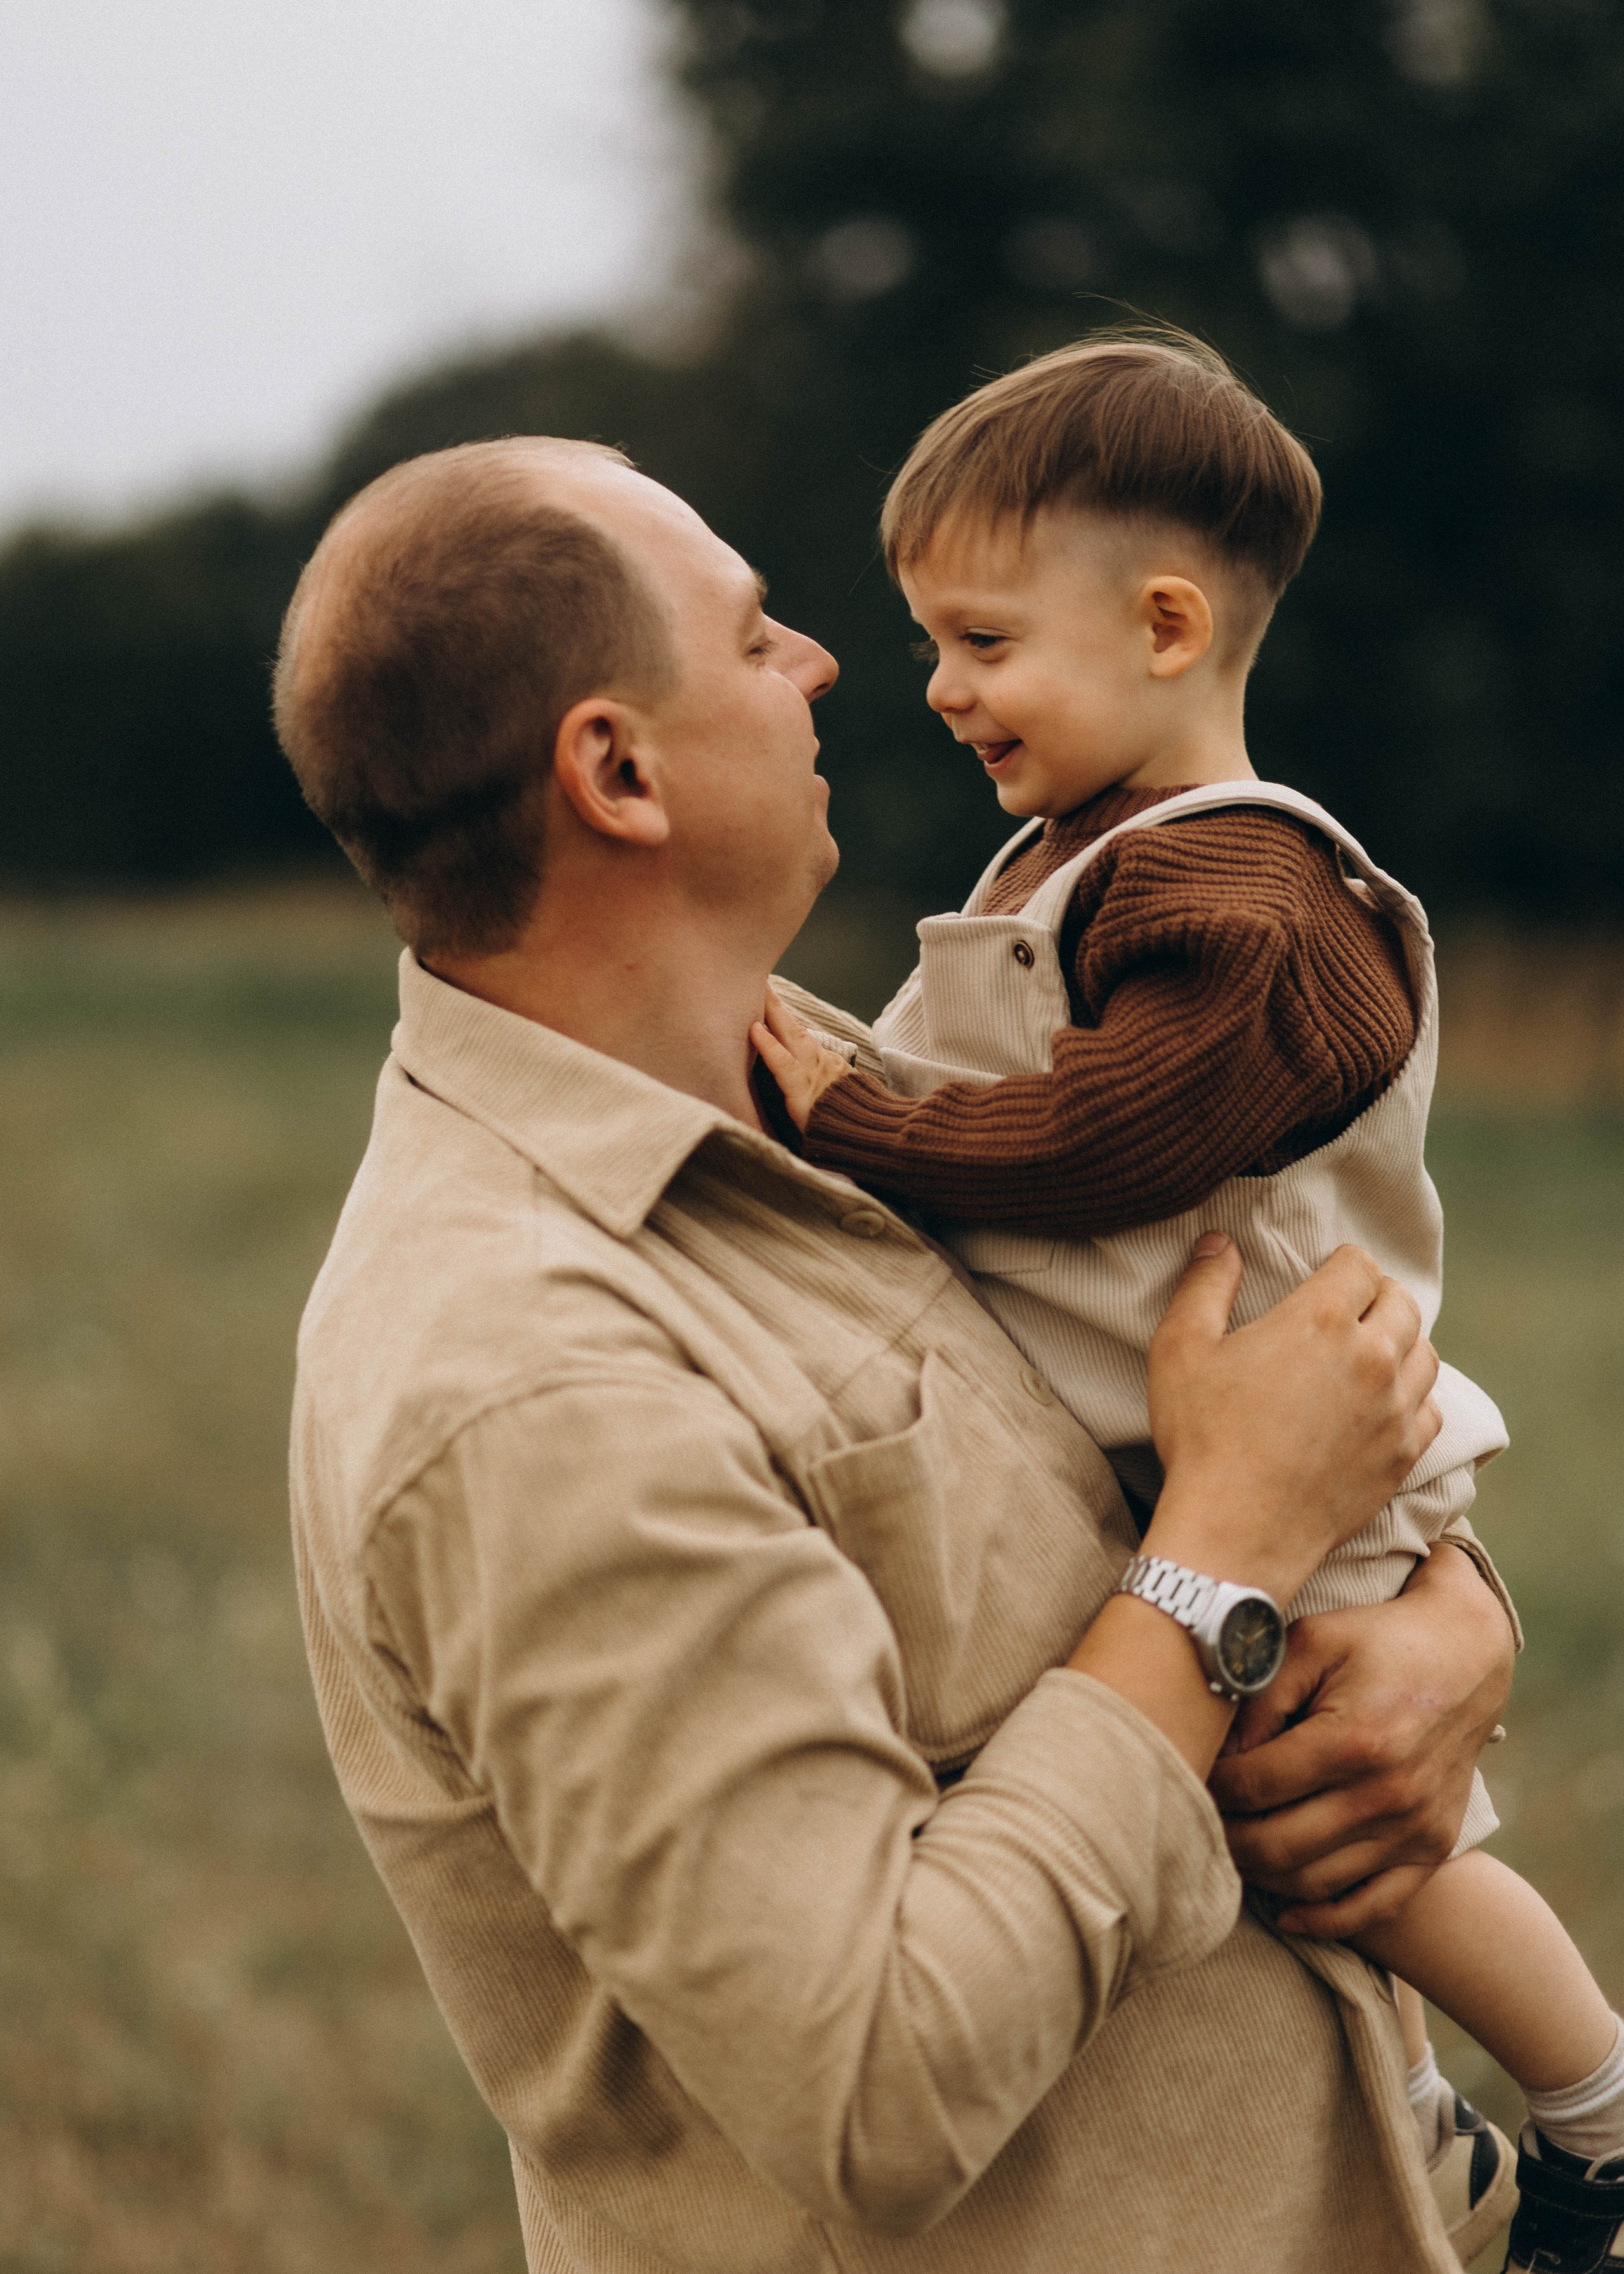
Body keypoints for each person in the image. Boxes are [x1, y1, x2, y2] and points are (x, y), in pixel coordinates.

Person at [274, 431, 1522, 2273]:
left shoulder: (811, 1088)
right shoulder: (532, 1376)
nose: (828, 664)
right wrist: (1230, 1566)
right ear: (618, 771)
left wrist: (1443, 1626)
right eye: (758, 632)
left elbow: (1176, 1413)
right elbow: (875, 2084)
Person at [752, 329, 1624, 2273]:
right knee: (1186, 1791)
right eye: (932, 644)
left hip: (1290, 1441)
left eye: (980, 641)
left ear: (1164, 624)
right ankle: (1404, 2109)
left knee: (1349, 1821)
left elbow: (1115, 1139)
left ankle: (1598, 2110)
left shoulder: (1249, 892)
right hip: (1173, 1460)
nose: (938, 688)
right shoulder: (1078, 857)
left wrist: (868, 1124)